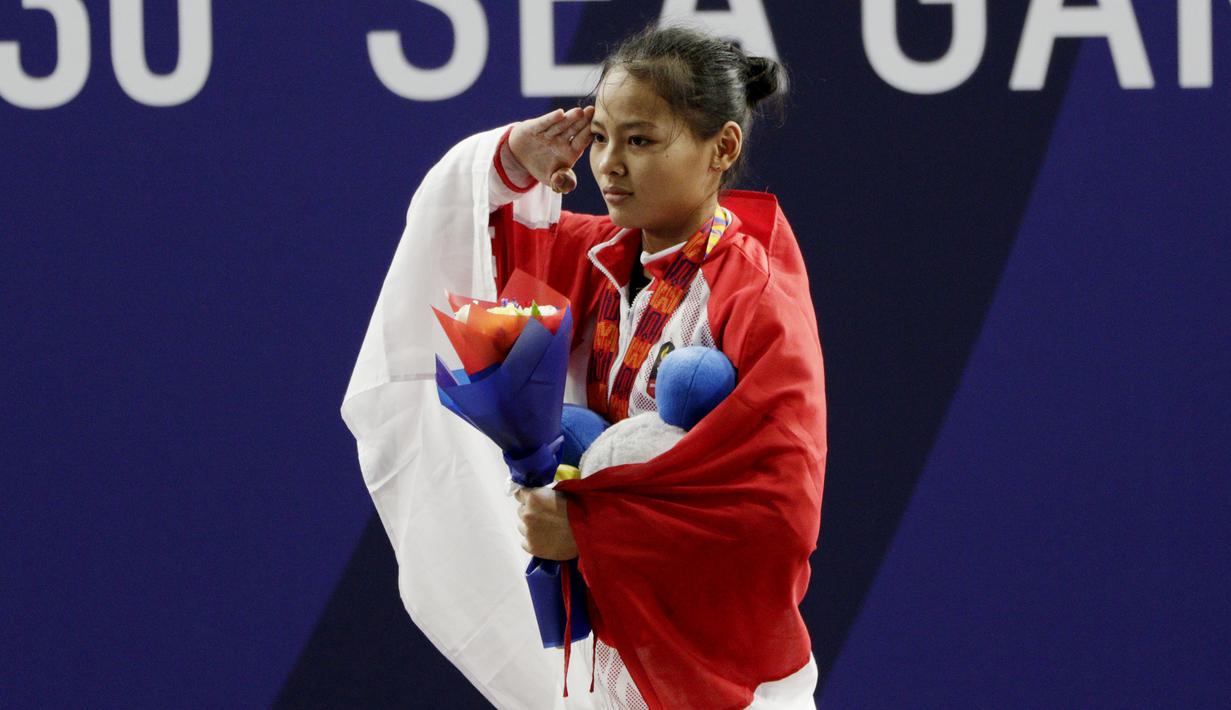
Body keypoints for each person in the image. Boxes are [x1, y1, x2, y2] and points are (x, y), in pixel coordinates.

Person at [343, 25, 826, 710]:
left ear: (720, 148)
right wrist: (510, 162)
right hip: (609, 654)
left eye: (640, 140)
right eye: (599, 138)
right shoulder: (595, 255)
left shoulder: (754, 294)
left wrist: (594, 530)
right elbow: (471, 256)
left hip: (729, 676)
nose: (609, 165)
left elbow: (777, 512)